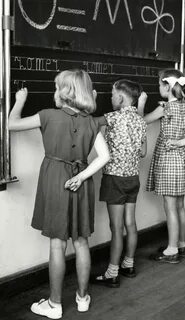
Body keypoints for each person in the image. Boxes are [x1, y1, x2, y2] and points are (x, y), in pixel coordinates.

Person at [9, 69, 110, 319]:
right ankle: (83, 298)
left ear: (64, 91)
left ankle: (54, 305)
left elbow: (11, 125)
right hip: (82, 180)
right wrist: (81, 177)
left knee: (57, 244)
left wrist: (19, 101)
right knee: (81, 241)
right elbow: (105, 157)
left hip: (56, 180)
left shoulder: (47, 116)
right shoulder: (93, 121)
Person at [138, 69, 185, 264]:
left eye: (159, 85)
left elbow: (141, 122)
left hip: (168, 161)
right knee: (180, 206)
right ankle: (180, 244)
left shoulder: (165, 109)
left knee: (170, 207)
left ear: (168, 87)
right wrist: (179, 142)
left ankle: (171, 251)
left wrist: (141, 104)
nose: (158, 88)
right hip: (183, 160)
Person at [91, 79, 147, 287]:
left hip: (114, 179)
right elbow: (143, 152)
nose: (110, 97)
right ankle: (129, 264)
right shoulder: (141, 121)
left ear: (121, 98)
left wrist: (92, 101)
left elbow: (90, 122)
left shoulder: (112, 117)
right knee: (130, 224)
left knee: (116, 228)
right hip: (133, 178)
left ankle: (112, 273)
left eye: (112, 94)